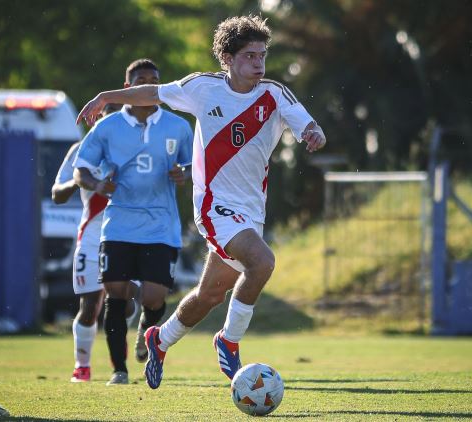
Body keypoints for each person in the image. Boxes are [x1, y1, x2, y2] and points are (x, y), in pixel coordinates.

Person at [76, 15, 326, 390]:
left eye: (262, 56)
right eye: (249, 56)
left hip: (250, 211)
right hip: (213, 205)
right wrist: (106, 97)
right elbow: (151, 94)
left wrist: (313, 131)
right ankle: (229, 340)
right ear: (227, 57)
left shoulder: (274, 94)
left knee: (209, 294)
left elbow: (304, 122)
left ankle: (158, 339)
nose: (258, 64)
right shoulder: (202, 88)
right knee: (262, 262)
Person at [73, 58, 193, 385]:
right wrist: (97, 184)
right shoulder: (107, 127)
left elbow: (197, 165)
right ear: (128, 88)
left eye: (153, 81)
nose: (148, 87)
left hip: (161, 225)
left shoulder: (179, 126)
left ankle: (145, 331)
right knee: (116, 295)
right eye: (142, 81)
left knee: (154, 298)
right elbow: (80, 170)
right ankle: (119, 370)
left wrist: (185, 173)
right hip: (119, 224)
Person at [51, 103, 140, 383]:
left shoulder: (138, 147)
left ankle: (124, 329)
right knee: (90, 306)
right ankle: (82, 365)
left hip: (128, 235)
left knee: (123, 302)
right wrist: (80, 182)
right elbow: (56, 193)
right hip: (91, 237)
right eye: (108, 115)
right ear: (96, 119)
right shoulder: (80, 151)